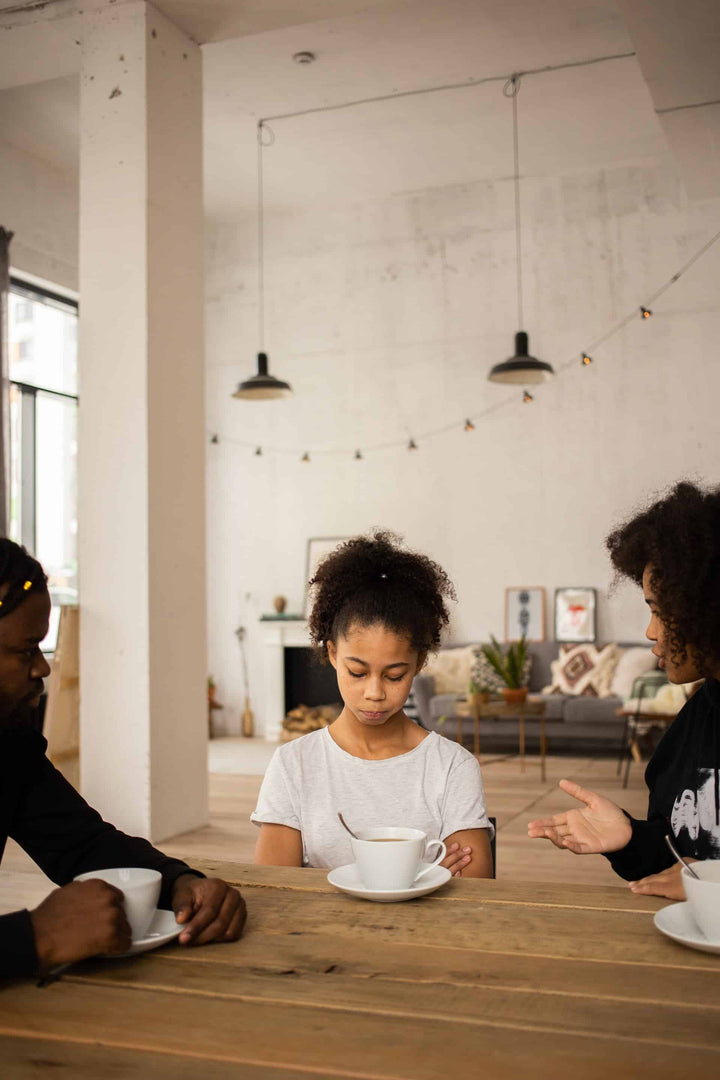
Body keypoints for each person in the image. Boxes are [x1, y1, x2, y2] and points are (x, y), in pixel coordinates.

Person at [0, 540, 246, 979]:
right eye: (24, 651)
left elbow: (80, 843)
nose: (42, 668)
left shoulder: (9, 743)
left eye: (41, 647)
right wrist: (34, 936)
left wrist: (180, 883)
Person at [252, 531, 494, 877]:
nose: (375, 693)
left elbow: (474, 895)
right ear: (333, 653)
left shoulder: (452, 767)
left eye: (395, 675)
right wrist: (424, 877)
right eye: (357, 672)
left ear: (419, 662)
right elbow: (276, 890)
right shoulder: (294, 765)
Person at [527, 481, 720, 899]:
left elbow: (697, 881)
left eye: (658, 611)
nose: (650, 632)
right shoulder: (691, 729)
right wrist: (630, 838)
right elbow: (677, 867)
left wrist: (707, 888)